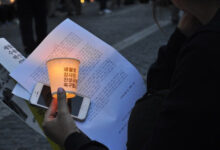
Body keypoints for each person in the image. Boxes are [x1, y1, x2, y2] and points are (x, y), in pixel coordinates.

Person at [42, 0, 220, 150]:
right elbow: (158, 86)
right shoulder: (202, 37)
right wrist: (181, 35)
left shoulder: (207, 49)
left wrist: (71, 139)